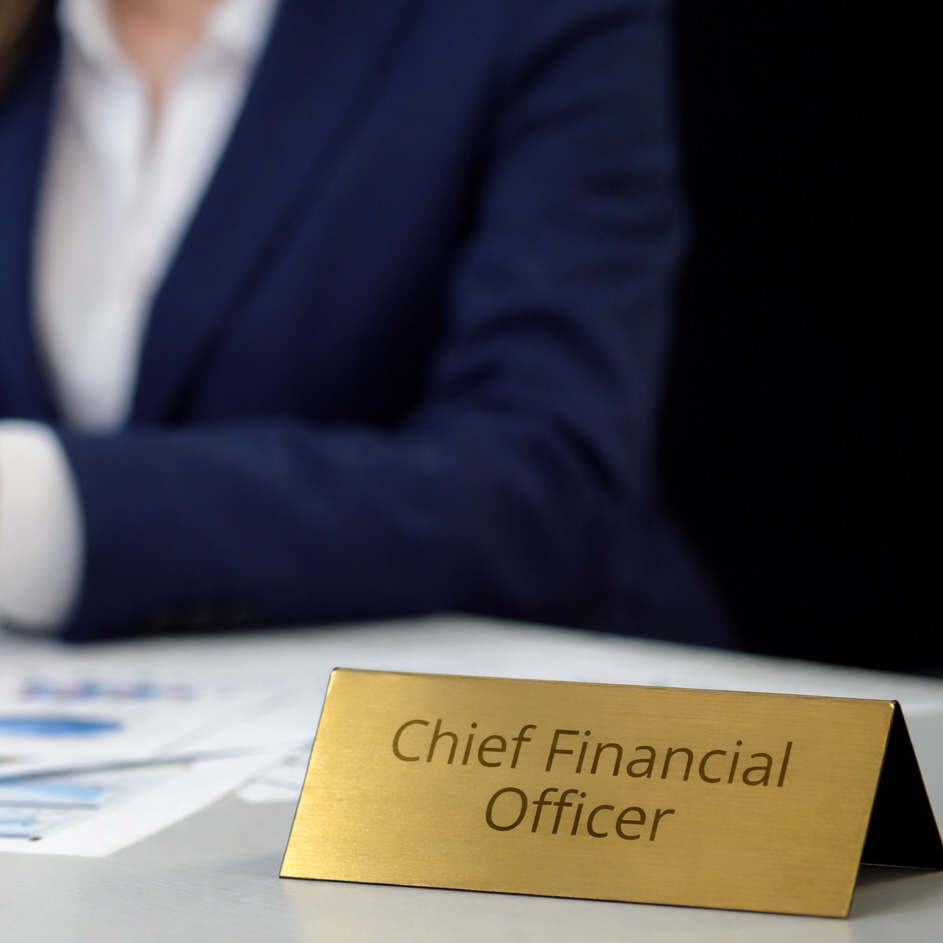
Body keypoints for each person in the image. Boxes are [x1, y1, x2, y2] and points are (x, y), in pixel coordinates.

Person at [0, 0, 732, 646]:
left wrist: (58, 508)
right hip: (91, 737)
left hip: (520, 744)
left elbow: (546, 483)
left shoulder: (522, 17)